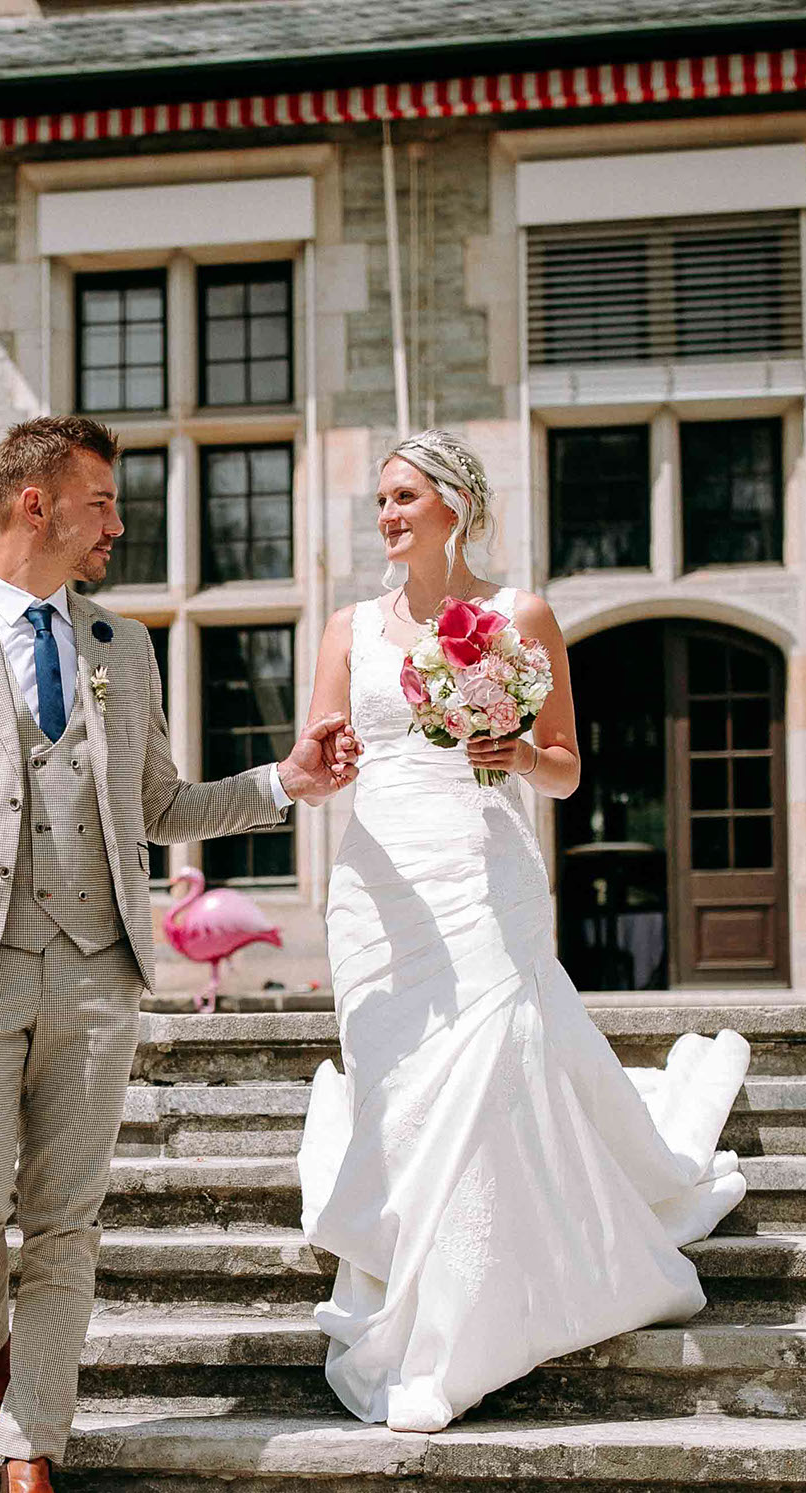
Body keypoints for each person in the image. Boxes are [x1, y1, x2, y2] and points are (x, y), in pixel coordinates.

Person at [0, 414, 361, 1493]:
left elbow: (158, 805)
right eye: (102, 503)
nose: (117, 524)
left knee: (64, 1224)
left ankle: (31, 1452)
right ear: (38, 505)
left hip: (99, 964)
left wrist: (284, 779)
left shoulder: (125, 646)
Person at [296, 428, 750, 1434]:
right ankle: (413, 1286)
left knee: (495, 1060)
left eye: (405, 495)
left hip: (482, 859)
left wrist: (508, 748)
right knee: (402, 1083)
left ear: (455, 502)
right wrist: (318, 760)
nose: (387, 514)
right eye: (380, 498)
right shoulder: (347, 629)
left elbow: (565, 766)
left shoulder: (517, 615)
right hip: (378, 881)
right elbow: (320, 752)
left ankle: (467, 1321)